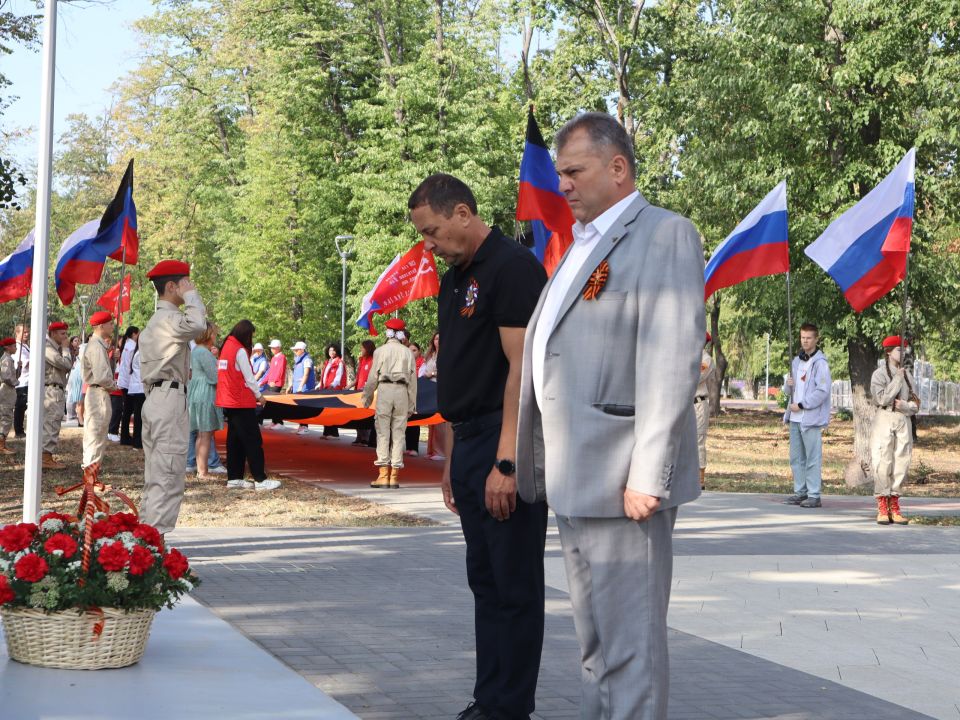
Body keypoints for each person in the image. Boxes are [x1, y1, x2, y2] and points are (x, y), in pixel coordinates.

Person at [514, 112, 705, 720]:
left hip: (623, 480)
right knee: (595, 648)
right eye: (560, 173)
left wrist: (649, 473)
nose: (563, 185)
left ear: (617, 168)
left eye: (574, 171)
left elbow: (672, 356)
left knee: (631, 648)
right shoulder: (581, 245)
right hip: (575, 478)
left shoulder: (665, 234)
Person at [409, 173, 548, 720]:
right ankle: (489, 699)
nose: (429, 244)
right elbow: (458, 373)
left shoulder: (511, 269)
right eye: (424, 235)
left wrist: (506, 461)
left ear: (463, 213)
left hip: (502, 438)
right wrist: (450, 459)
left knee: (513, 584)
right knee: (485, 582)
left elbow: (522, 371)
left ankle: (510, 707)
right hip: (469, 442)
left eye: (434, 231)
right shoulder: (455, 277)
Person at [138, 260, 207, 537]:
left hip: (157, 397)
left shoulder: (156, 321)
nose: (190, 288)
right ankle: (154, 545)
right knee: (167, 476)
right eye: (185, 283)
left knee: (156, 475)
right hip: (168, 398)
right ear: (171, 286)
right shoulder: (169, 320)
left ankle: (146, 539)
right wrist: (191, 297)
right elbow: (198, 323)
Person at [216, 320, 280, 491]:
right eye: (251, 335)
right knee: (253, 440)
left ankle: (234, 478)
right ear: (245, 334)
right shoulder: (239, 351)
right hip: (241, 401)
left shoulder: (226, 348)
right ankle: (260, 479)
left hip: (229, 401)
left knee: (235, 441)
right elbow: (249, 377)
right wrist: (259, 396)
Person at [362, 318, 417, 489]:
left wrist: (367, 397)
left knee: (383, 432)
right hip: (402, 391)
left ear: (388, 331)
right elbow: (413, 380)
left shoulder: (380, 351)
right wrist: (412, 404)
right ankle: (394, 476)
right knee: (399, 433)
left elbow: (372, 377)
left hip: (385, 390)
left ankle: (383, 475)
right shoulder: (408, 353)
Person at [782, 323, 832, 509]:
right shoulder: (796, 361)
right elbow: (790, 390)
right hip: (794, 417)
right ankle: (800, 491)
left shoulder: (820, 364)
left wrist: (803, 405)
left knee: (812, 458)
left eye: (809, 337)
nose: (805, 340)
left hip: (810, 417)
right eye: (802, 337)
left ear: (816, 339)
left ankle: (813, 494)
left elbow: (822, 391)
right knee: (796, 458)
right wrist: (788, 384)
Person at [871, 335, 918, 525]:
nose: (902, 352)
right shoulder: (879, 374)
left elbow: (916, 401)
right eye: (899, 349)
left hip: (902, 419)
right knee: (883, 459)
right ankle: (882, 504)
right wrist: (896, 380)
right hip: (885, 418)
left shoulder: (907, 375)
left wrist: (907, 406)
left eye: (904, 349)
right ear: (889, 352)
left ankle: (895, 504)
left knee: (901, 460)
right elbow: (881, 399)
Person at [80, 312, 118, 469]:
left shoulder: (98, 345)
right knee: (96, 435)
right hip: (98, 393)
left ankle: (91, 475)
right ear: (101, 326)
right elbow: (102, 376)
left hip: (97, 392)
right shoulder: (96, 346)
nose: (112, 326)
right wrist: (115, 386)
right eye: (110, 323)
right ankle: (90, 477)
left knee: (96, 434)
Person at [188, 324, 223, 480]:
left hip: (196, 392)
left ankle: (201, 469)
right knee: (205, 434)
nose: (215, 337)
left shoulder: (196, 350)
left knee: (201, 434)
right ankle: (203, 471)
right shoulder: (204, 352)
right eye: (214, 334)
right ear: (208, 335)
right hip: (205, 393)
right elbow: (214, 377)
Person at [42, 321, 74, 470]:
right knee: (52, 423)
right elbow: (65, 365)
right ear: (53, 333)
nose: (65, 337)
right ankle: (45, 457)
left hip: (56, 389)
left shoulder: (56, 347)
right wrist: (67, 349)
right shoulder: (48, 348)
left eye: (66, 334)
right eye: (62, 334)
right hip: (51, 390)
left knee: (53, 422)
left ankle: (46, 455)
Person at [420, 331, 446, 460]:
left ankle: (440, 451)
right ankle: (431, 450)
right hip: (429, 388)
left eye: (440, 339)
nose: (438, 341)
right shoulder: (431, 355)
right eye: (436, 339)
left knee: (440, 420)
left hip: (440, 388)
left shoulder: (446, 353)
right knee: (431, 420)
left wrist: (433, 373)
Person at [695, 332, 716, 490]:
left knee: (698, 441)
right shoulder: (686, 357)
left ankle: (699, 479)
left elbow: (696, 378)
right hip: (685, 404)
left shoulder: (706, 359)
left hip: (698, 404)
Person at [116, 326, 140, 445]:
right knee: (129, 410)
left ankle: (124, 436)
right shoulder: (132, 347)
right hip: (129, 382)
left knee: (127, 410)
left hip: (125, 381)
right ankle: (125, 436)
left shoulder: (126, 345)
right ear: (134, 334)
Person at [350, 339, 376, 446]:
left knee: (365, 414)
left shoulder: (373, 360)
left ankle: (366, 438)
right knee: (357, 414)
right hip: (358, 391)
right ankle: (359, 437)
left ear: (368, 348)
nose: (361, 349)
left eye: (362, 347)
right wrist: (349, 385)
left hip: (367, 391)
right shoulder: (361, 360)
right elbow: (358, 377)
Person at [320, 343, 347, 438]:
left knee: (330, 411)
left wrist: (332, 385)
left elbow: (338, 376)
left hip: (333, 390)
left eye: (333, 350)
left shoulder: (339, 362)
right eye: (330, 350)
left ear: (337, 351)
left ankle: (331, 433)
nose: (331, 352)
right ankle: (329, 432)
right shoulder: (328, 362)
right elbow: (324, 376)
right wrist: (320, 385)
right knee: (325, 411)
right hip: (325, 389)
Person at [290, 341, 315, 435]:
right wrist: (291, 385)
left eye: (296, 350)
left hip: (304, 388)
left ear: (302, 350)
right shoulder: (298, 360)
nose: (295, 351)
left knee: (304, 408)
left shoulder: (307, 360)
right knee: (299, 408)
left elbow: (306, 374)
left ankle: (305, 427)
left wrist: (301, 386)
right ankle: (301, 426)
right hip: (297, 388)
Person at [0, 338, 17, 454]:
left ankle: (2, 443)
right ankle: (1, 445)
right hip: (6, 391)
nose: (16, 348)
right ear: (7, 347)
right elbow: (6, 376)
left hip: (8, 390)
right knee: (6, 416)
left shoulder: (9, 359)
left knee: (6, 415)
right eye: (14, 346)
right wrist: (16, 382)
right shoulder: (7, 359)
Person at [13, 323, 29, 438]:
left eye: (27, 332)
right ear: (17, 333)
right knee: (20, 406)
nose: (26, 334)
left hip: (28, 380)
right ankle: (18, 431)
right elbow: (26, 362)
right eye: (24, 332)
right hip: (22, 381)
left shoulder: (26, 346)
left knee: (24, 406)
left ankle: (20, 430)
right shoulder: (18, 347)